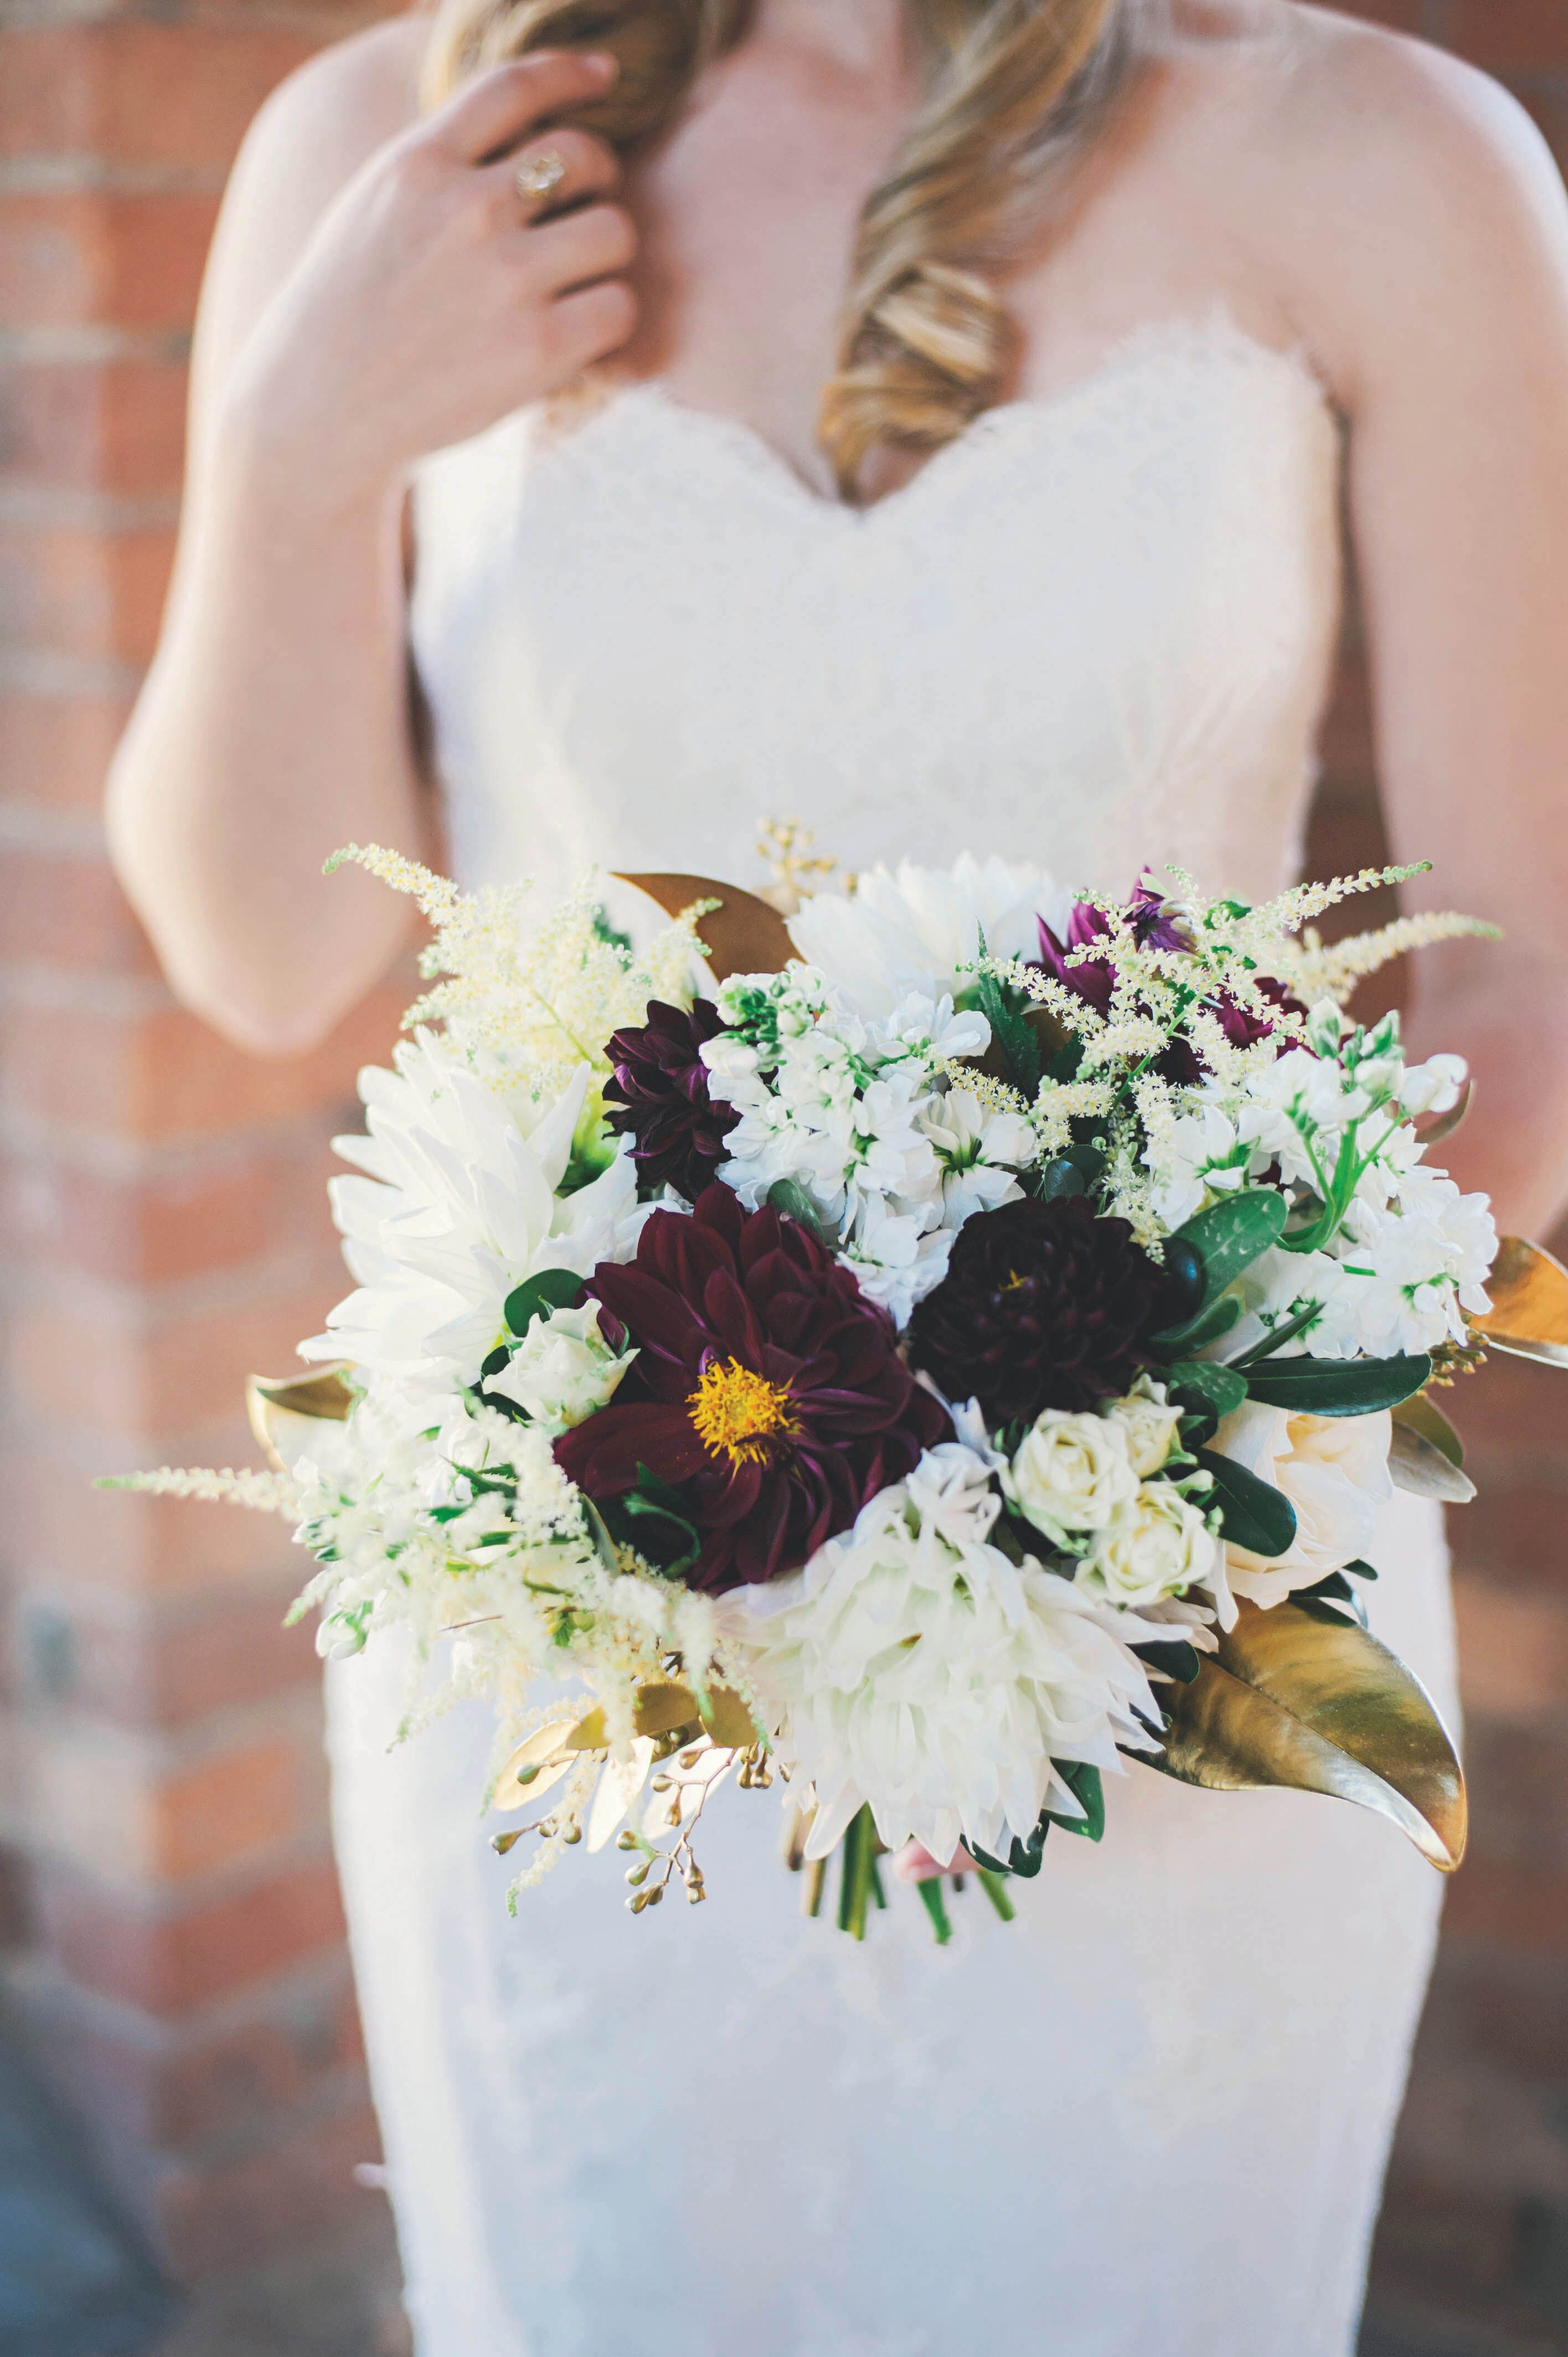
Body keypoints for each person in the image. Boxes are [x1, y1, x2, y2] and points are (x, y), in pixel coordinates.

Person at [106, 1, 1568, 2350]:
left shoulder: (1390, 158)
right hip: (584, 1647)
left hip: (1169, 1601)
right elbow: (263, 946)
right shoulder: (387, 147)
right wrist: (292, 453)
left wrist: (1112, 1439)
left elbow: (1523, 988)